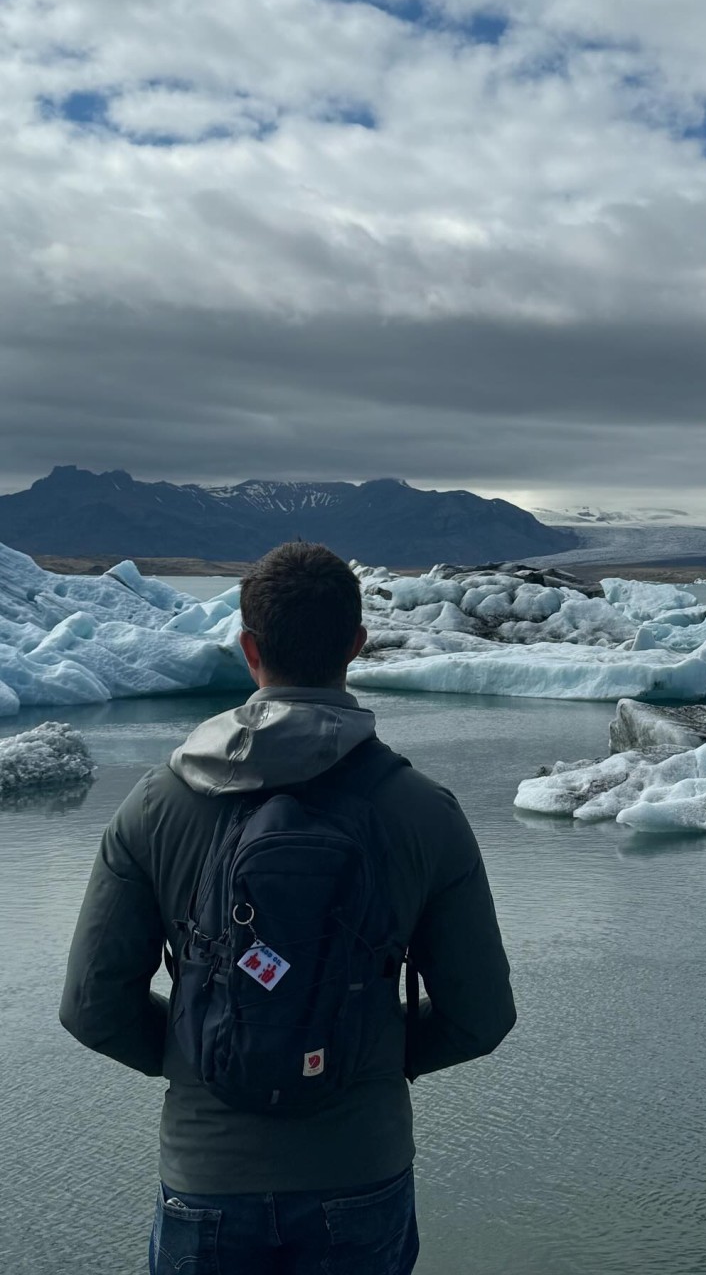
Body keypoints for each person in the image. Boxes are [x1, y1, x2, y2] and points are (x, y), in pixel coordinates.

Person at [60, 541, 517, 1275]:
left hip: (206, 1179)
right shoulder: (424, 811)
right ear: (357, 646)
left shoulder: (155, 805)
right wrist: (358, 1059)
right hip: (359, 1171)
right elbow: (482, 1016)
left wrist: (200, 1056)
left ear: (247, 648)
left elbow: (91, 1007)